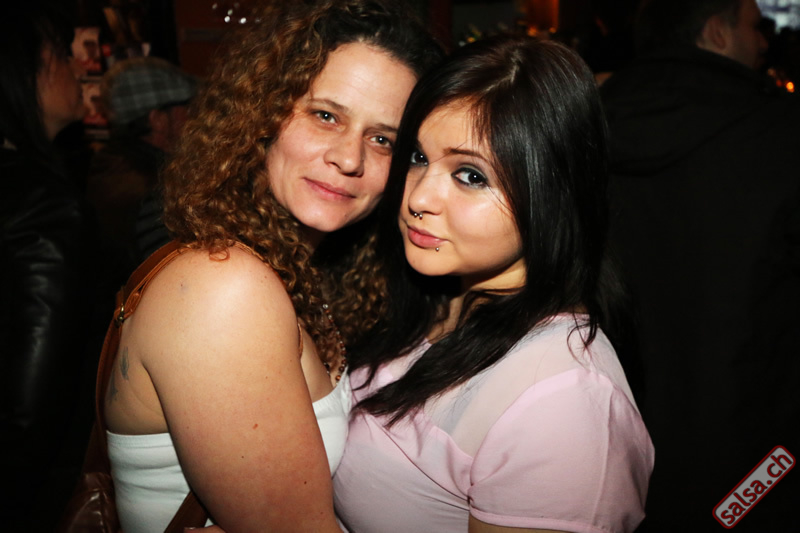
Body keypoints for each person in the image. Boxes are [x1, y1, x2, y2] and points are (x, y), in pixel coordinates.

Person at [98, 0, 442, 531]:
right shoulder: (223, 286)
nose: (350, 158)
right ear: (263, 114)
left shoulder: (301, 269)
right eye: (325, 116)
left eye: (383, 140)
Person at [333, 34, 654, 533]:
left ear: (551, 192)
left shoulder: (562, 404)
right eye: (417, 157)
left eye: (471, 176)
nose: (418, 198)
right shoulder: (430, 296)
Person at [600, 0, 800, 530]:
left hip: (603, 449)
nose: (765, 41)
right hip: (754, 460)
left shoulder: (585, 124)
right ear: (716, 31)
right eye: (755, 26)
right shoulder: (782, 134)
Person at [0, 1, 97, 530]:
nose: (80, 66)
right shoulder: (40, 202)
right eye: (62, 53)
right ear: (25, 72)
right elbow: (32, 407)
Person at [86, 56, 196, 279]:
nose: (194, 116)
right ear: (158, 120)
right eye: (186, 107)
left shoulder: (107, 162)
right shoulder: (154, 191)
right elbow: (176, 280)